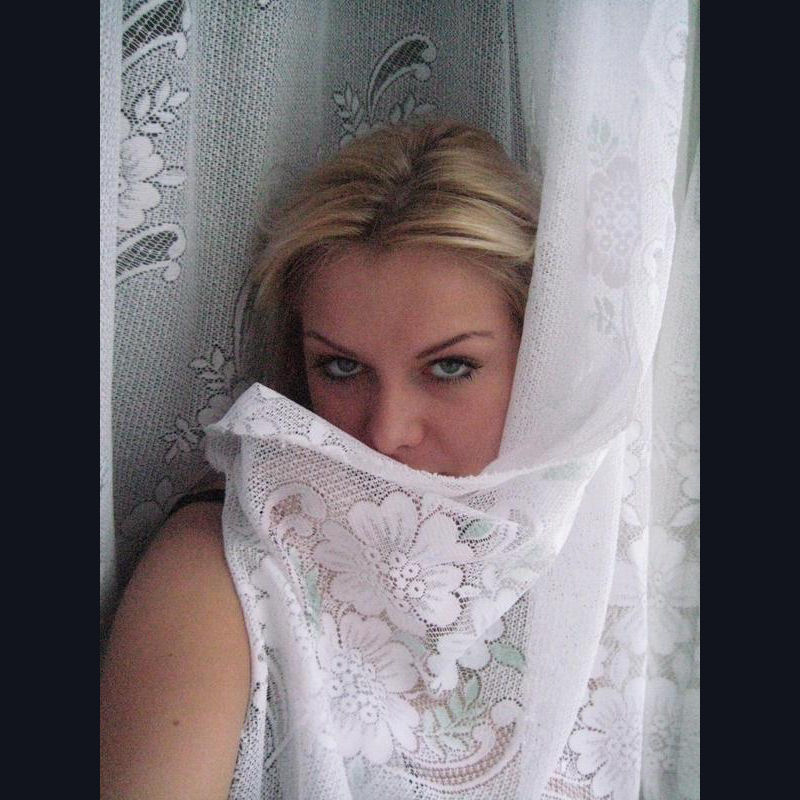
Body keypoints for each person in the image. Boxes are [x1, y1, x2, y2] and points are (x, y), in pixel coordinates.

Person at [100, 119, 539, 799]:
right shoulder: (227, 565)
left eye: (450, 367)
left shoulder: (604, 550)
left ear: (536, 356)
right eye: (341, 367)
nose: (386, 432)